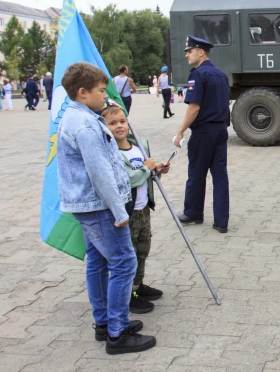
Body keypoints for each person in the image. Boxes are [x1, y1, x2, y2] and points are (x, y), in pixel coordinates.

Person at [56, 62, 155, 355]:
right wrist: (120, 211)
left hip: (89, 205)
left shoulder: (79, 117)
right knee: (124, 263)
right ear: (83, 92)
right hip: (100, 206)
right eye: (101, 90)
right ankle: (117, 332)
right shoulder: (86, 125)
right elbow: (100, 174)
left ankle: (104, 323)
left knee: (98, 263)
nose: (106, 95)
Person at [102, 105, 169, 314]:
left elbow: (146, 174)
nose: (119, 126)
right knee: (128, 255)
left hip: (143, 210)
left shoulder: (138, 147)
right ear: (104, 128)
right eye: (112, 123)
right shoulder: (111, 153)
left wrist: (157, 169)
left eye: (122, 121)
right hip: (126, 213)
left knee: (142, 249)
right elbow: (125, 180)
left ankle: (138, 287)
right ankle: (127, 295)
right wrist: (146, 169)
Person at [174, 36, 230, 233]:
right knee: (220, 175)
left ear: (201, 52)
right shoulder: (221, 75)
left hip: (203, 131)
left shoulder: (198, 75)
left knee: (197, 173)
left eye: (190, 51)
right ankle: (221, 221)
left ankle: (193, 212)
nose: (187, 55)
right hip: (220, 130)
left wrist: (180, 131)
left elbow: (194, 109)